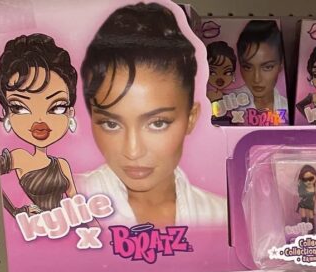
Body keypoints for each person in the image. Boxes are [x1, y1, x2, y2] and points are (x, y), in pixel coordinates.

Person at [77, 2, 226, 228]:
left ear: (191, 118)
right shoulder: (62, 206)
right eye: (110, 124)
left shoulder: (221, 217)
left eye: (157, 123)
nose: (133, 151)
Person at [0, 33, 78, 217]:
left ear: (70, 112)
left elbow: (76, 203)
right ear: (7, 113)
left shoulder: (62, 164)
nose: (39, 120)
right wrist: (15, 211)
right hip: (34, 226)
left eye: (57, 107)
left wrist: (97, 231)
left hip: (69, 226)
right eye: (19, 107)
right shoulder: (19, 157)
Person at [235, 20, 288, 118]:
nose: (257, 79)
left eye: (267, 67)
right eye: (247, 67)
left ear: (281, 65)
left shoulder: (287, 109)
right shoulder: (228, 106)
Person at [296, 165, 316, 234]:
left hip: (310, 204)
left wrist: (315, 207)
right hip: (303, 204)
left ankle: (312, 231)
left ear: (315, 177)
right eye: (305, 180)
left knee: (311, 216)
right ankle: (303, 231)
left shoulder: (314, 188)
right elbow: (300, 195)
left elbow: (315, 198)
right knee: (303, 216)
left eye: (311, 178)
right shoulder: (302, 188)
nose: (308, 181)